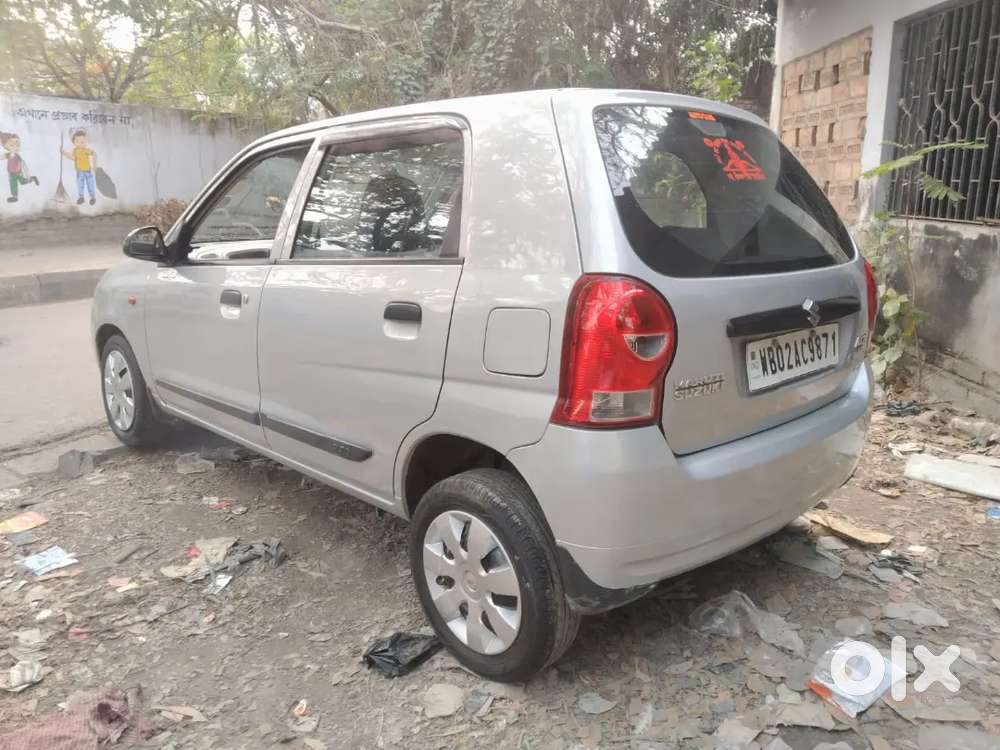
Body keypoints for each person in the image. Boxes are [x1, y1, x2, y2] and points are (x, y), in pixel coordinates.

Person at [2, 132, 39, 203]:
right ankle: (15, 197)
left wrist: (28, 175)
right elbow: (2, 157)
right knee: (13, 184)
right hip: (11, 173)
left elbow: (24, 165)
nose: (14, 147)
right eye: (11, 145)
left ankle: (32, 178)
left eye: (16, 145)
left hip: (18, 172)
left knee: (23, 182)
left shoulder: (17, 156)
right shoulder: (9, 154)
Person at [63, 129, 97, 205]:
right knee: (80, 185)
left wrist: (94, 165)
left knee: (90, 184)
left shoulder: (86, 150)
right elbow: (73, 158)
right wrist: (64, 153)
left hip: (88, 171)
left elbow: (94, 154)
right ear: (74, 143)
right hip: (79, 171)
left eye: (83, 141)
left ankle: (92, 197)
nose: (81, 143)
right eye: (78, 142)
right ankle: (81, 197)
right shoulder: (75, 151)